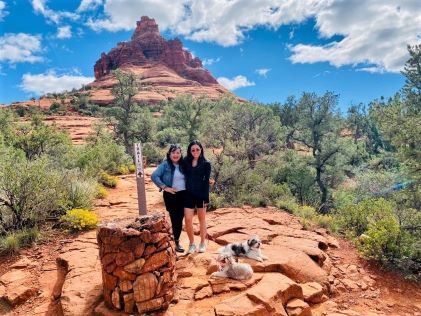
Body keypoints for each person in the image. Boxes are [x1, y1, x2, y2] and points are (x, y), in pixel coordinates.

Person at [151, 144, 186, 253]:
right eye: (173, 152)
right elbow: (154, 176)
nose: (176, 155)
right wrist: (165, 187)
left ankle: (175, 239)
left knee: (180, 219)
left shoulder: (183, 164)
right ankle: (176, 242)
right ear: (169, 154)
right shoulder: (165, 165)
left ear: (181, 154)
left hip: (184, 194)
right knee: (175, 218)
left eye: (178, 152)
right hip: (171, 195)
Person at [183, 140, 212, 254]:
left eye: (197, 149)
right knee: (188, 220)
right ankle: (191, 244)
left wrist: (206, 198)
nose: (195, 152)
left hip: (201, 194)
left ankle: (202, 243)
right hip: (188, 194)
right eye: (193, 150)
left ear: (201, 150)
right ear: (190, 151)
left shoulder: (206, 163)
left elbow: (206, 181)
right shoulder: (185, 161)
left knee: (202, 219)